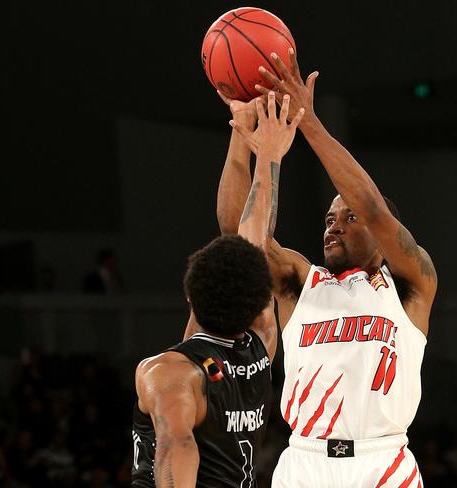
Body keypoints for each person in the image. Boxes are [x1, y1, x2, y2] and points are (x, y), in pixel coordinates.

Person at [221, 49, 438, 487]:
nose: (333, 227)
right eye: (328, 220)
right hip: (306, 461)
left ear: (381, 235)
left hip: (383, 463)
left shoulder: (410, 285)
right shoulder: (302, 282)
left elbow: (373, 207)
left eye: (347, 218)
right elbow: (240, 235)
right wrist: (248, 144)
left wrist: (307, 122)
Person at [131, 93, 305, 487]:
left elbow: (177, 448)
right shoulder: (263, 346)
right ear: (261, 300)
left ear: (191, 297)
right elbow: (251, 241)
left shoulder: (168, 373)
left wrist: (253, 144)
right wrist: (262, 152)